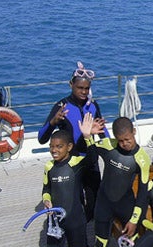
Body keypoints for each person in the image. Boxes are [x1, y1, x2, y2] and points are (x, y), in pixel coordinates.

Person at [80, 115, 151, 247]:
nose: (125, 144)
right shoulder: (108, 145)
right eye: (121, 141)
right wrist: (88, 137)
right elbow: (91, 158)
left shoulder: (142, 158)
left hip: (126, 204)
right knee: (100, 244)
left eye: (128, 139)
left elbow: (143, 194)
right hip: (104, 203)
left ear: (134, 133)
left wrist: (135, 219)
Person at [37, 61, 108, 223]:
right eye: (79, 88)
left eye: (86, 88)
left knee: (95, 203)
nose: (83, 92)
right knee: (74, 204)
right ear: (71, 85)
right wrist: (53, 122)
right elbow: (42, 138)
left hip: (90, 160)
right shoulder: (62, 106)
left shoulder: (93, 105)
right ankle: (78, 239)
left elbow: (103, 132)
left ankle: (93, 234)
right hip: (71, 164)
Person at [40, 126, 98, 247]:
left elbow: (93, 159)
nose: (54, 150)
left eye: (59, 146)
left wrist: (88, 137)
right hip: (55, 222)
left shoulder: (77, 163)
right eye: (51, 147)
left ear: (69, 147)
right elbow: (46, 189)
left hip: (75, 220)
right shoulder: (49, 167)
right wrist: (47, 200)